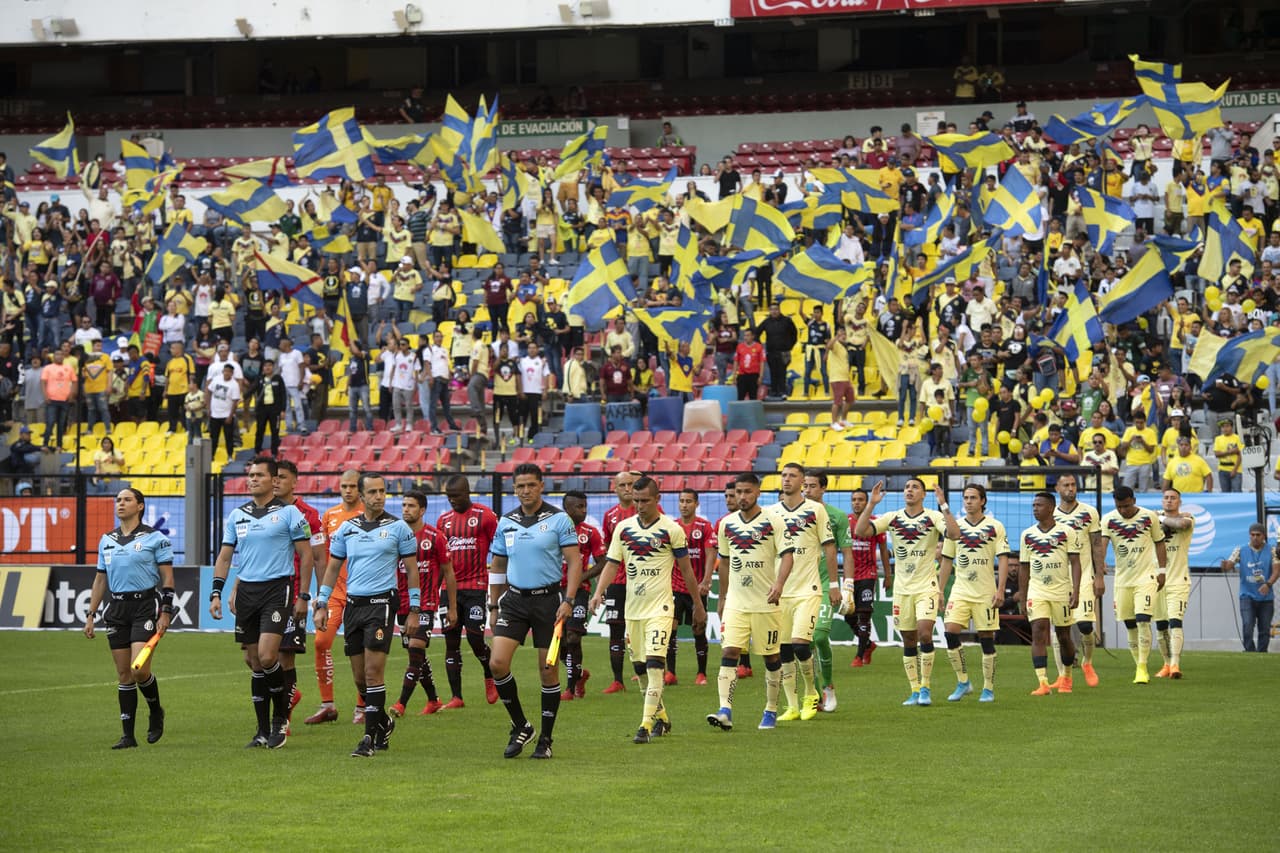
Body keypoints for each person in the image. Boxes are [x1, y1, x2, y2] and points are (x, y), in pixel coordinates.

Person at [210, 456, 313, 748]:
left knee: (269, 657)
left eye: (259, 475)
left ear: (273, 480)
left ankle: (281, 719)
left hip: (277, 589)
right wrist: (216, 592)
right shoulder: (237, 515)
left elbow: (306, 556)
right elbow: (226, 556)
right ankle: (261, 729)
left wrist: (304, 595)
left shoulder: (290, 513)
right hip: (247, 593)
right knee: (253, 661)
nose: (253, 479)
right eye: (250, 475)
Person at [314, 473, 418, 757]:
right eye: (372, 492)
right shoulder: (347, 529)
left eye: (382, 491)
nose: (379, 496)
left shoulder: (398, 529)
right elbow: (333, 568)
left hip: (382, 604)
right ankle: (382, 721)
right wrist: (322, 602)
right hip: (353, 606)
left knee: (373, 674)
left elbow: (411, 571)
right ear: (362, 495)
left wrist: (414, 610)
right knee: (360, 678)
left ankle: (368, 739)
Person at [597, 475, 703, 744]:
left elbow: (687, 571)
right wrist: (598, 592)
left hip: (661, 608)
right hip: (633, 610)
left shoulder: (671, 530)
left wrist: (698, 605)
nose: (640, 505)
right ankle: (663, 718)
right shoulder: (623, 529)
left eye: (645, 500)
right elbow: (611, 564)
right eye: (636, 501)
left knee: (656, 666)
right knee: (641, 670)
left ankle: (644, 725)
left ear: (658, 499)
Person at [487, 463, 581, 759]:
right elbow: (498, 565)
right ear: (513, 489)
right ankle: (521, 725)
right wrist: (493, 604)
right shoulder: (507, 521)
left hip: (548, 602)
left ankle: (546, 740)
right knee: (497, 664)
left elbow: (575, 562)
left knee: (548, 671)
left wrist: (568, 600)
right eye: (519, 486)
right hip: (513, 601)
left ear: (542, 486)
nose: (525, 491)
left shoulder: (559, 519)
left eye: (530, 485)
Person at [83, 488, 174, 749]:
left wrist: (166, 610)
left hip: (145, 606)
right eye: (118, 500)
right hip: (117, 609)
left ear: (141, 506)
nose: (121, 504)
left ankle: (156, 711)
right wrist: (91, 614)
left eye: (127, 500)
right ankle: (128, 736)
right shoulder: (106, 540)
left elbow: (167, 577)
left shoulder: (155, 538)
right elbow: (101, 579)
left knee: (139, 669)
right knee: (124, 674)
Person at [707, 473, 793, 731]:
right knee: (729, 652)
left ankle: (771, 710)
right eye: (737, 493)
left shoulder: (774, 521)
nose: (741, 497)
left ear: (757, 492)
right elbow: (723, 562)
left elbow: (788, 555)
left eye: (746, 492)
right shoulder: (726, 524)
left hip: (766, 602)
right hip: (736, 602)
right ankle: (725, 709)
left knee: (771, 658)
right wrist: (722, 597)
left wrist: (778, 584)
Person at [855, 478, 947, 706]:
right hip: (902, 589)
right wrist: (872, 504)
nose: (909, 490)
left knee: (925, 633)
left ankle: (926, 687)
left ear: (924, 494)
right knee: (908, 638)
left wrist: (943, 505)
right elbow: (860, 530)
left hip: (926, 586)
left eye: (915, 487)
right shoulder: (894, 518)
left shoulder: (932, 517)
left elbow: (954, 534)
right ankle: (914, 690)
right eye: (907, 487)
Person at [767, 463, 838, 721]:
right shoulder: (771, 512)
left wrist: (834, 584)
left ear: (802, 481)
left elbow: (830, 548)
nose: (787, 480)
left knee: (800, 644)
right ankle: (792, 705)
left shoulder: (816, 510)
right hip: (780, 592)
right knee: (783, 650)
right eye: (784, 475)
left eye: (792, 476)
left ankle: (811, 693)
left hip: (808, 590)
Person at [938, 484, 1010, 703]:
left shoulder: (995, 526)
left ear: (983, 501)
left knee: (986, 640)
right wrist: (940, 590)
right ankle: (963, 682)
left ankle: (988, 688)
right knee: (950, 632)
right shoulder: (955, 527)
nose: (968, 501)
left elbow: (1004, 558)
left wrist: (1000, 589)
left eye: (973, 498)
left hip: (985, 593)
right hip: (960, 591)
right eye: (965, 498)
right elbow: (947, 560)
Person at [304, 470, 366, 725]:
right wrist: (321, 594)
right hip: (335, 593)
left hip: (362, 593)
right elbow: (324, 557)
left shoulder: (369, 514)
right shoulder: (330, 516)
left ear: (360, 488)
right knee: (321, 643)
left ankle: (363, 706)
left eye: (352, 486)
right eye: (344, 486)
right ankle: (327, 705)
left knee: (360, 648)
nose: (348, 490)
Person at [391, 491, 458, 717]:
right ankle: (433, 700)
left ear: (422, 511)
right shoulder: (394, 535)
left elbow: (448, 573)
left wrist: (452, 606)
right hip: (401, 604)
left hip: (426, 604)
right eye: (403, 505)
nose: (405, 509)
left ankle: (401, 703)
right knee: (415, 656)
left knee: (416, 648)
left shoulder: (435, 537)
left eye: (411, 505)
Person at [268, 460, 324, 732]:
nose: (276, 481)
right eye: (273, 477)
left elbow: (319, 557)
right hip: (264, 594)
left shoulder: (308, 515)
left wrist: (320, 596)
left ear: (294, 482)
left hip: (293, 595)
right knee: (256, 657)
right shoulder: (262, 512)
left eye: (281, 477)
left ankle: (283, 718)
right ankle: (290, 696)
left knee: (284, 656)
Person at [436, 474, 501, 708]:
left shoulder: (485, 516)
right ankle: (457, 697)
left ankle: (489, 673)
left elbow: (500, 547)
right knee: (451, 641)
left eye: (456, 496)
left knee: (475, 638)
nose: (452, 500)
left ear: (467, 493)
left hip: (476, 587)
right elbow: (440, 560)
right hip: (449, 590)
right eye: (449, 497)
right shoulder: (443, 521)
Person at [1095, 485, 1167, 684]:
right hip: (1123, 580)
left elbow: (1159, 542)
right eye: (1119, 507)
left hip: (1146, 577)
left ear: (1134, 500)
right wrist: (1099, 573)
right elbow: (1101, 547)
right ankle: (1138, 664)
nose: (1123, 511)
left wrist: (1162, 571)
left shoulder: (1148, 517)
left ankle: (1142, 667)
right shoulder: (1109, 520)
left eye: (1126, 506)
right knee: (1129, 624)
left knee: (1143, 618)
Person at [1016, 492, 1082, 696]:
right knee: (1038, 631)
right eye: (1034, 505)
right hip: (1037, 591)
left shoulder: (1066, 532)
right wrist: (1023, 595)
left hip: (1061, 591)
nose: (1035, 508)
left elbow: (1075, 562)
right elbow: (1024, 568)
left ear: (1051, 508)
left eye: (1040, 505)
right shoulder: (1027, 534)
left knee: (1063, 636)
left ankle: (1067, 677)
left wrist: (1076, 590)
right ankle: (1043, 682)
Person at [801, 472, 854, 712]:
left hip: (824, 585)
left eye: (812, 486)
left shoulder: (837, 516)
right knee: (803, 643)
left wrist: (847, 586)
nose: (807, 490)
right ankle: (811, 694)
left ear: (823, 489)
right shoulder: (794, 516)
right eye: (805, 486)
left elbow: (847, 552)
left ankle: (828, 686)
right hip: (799, 585)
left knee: (819, 636)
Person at [1054, 474, 1105, 687]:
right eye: (1066, 485)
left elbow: (1097, 545)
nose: (1070, 488)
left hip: (1084, 575)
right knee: (1060, 628)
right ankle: (1063, 676)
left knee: (1085, 624)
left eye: (1073, 484)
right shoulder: (1051, 515)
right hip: (1058, 579)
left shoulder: (1089, 512)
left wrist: (1100, 576)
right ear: (1057, 488)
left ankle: (1087, 661)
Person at [559, 490, 607, 701]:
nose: (584, 510)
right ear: (567, 508)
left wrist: (580, 578)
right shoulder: (554, 530)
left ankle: (569, 689)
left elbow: (603, 562)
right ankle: (578, 675)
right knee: (557, 643)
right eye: (579, 507)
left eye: (585, 506)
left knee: (573, 637)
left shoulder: (590, 532)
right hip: (554, 591)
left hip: (579, 592)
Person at [668, 488, 716, 686]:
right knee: (670, 629)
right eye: (681, 501)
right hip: (674, 587)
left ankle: (701, 673)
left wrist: (706, 581)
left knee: (698, 628)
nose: (684, 505)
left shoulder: (704, 526)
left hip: (697, 588)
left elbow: (710, 554)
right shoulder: (672, 527)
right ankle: (670, 672)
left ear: (697, 504)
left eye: (688, 501)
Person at [598, 470, 638, 693]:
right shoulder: (610, 516)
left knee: (639, 628)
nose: (627, 489)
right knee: (615, 629)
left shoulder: (648, 510)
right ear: (615, 489)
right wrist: (603, 587)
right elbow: (607, 554)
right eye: (622, 485)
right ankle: (617, 680)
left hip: (641, 581)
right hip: (617, 582)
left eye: (630, 484)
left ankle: (643, 671)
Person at [844, 487, 890, 668]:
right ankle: (869, 644)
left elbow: (884, 551)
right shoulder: (845, 521)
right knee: (848, 614)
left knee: (864, 614)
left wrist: (887, 575)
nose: (857, 502)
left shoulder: (874, 523)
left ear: (866, 502)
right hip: (849, 575)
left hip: (868, 574)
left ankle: (859, 655)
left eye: (861, 499)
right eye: (854, 499)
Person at [1154, 489, 1195, 678]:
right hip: (1158, 580)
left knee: (1175, 622)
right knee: (1161, 625)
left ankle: (1175, 664)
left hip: (1179, 580)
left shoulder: (1188, 519)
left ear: (1179, 501)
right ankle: (1166, 664)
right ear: (1162, 501)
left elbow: (1180, 524)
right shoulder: (1153, 520)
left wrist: (1159, 518)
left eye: (1173, 498)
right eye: (1166, 498)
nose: (1169, 501)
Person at [1222, 524, 1280, 653]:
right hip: (1246, 595)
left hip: (1266, 597)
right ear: (1249, 535)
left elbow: (1276, 571)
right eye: (1252, 535)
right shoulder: (1240, 550)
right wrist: (1225, 565)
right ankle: (1249, 651)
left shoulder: (1272, 551)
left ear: (1264, 536)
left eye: (1258, 535)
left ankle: (1262, 652)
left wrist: (1268, 584)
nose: (1255, 538)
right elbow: (1230, 564)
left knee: (1264, 629)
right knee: (1247, 625)